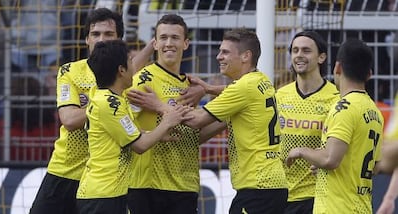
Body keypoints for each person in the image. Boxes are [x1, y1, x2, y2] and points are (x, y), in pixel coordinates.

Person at [29, 8, 153, 214]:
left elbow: (133, 67)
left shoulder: (125, 77)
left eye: (109, 34)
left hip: (105, 181)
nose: (101, 40)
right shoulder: (70, 71)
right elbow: (68, 119)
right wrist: (105, 103)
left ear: (119, 41)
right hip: (67, 170)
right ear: (86, 39)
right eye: (96, 34)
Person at [76, 39, 190, 214]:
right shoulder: (109, 103)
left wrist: (156, 133)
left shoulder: (111, 98)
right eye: (130, 60)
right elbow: (140, 145)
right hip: (102, 195)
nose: (134, 65)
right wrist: (168, 120)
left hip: (110, 193)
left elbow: (125, 135)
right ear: (121, 70)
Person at [183, 28, 288, 214]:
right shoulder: (261, 80)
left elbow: (196, 120)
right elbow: (234, 92)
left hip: (258, 186)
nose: (218, 57)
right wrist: (208, 89)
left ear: (246, 56)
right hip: (272, 184)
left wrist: (160, 107)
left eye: (225, 52)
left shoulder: (243, 87)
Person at [285, 38, 383, 213]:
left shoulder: (343, 107)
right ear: (369, 74)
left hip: (336, 207)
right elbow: (374, 166)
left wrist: (301, 151)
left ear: (337, 68)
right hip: (361, 206)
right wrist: (322, 167)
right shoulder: (374, 111)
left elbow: (330, 159)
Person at [126, 14, 201, 214]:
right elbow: (123, 125)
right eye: (164, 38)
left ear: (186, 43)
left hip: (185, 184)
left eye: (175, 38)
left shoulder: (190, 85)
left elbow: (192, 134)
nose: (169, 43)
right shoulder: (143, 79)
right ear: (156, 43)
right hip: (147, 185)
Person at [276, 31, 339, 214]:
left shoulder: (336, 98)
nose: (299, 55)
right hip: (280, 194)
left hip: (317, 196)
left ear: (321, 57)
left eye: (306, 50)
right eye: (295, 50)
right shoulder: (280, 95)